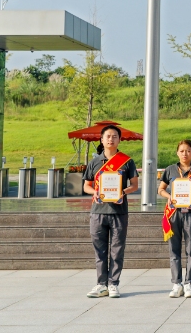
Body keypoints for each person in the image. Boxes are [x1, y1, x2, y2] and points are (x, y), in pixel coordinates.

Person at [83, 124, 139, 298]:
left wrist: (123, 192)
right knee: (99, 250)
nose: (111, 139)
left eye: (114, 136)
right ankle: (101, 284)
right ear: (102, 140)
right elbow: (86, 186)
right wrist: (95, 192)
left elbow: (134, 185)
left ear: (119, 139)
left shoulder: (127, 161)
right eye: (108, 136)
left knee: (117, 249)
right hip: (98, 211)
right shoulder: (94, 162)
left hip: (119, 211)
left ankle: (113, 284)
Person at [158, 139, 191, 298]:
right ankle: (176, 283)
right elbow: (161, 189)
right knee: (174, 249)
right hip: (173, 213)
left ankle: (189, 283)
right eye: (181, 151)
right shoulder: (170, 170)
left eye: (188, 151)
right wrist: (169, 196)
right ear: (177, 153)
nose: (185, 154)